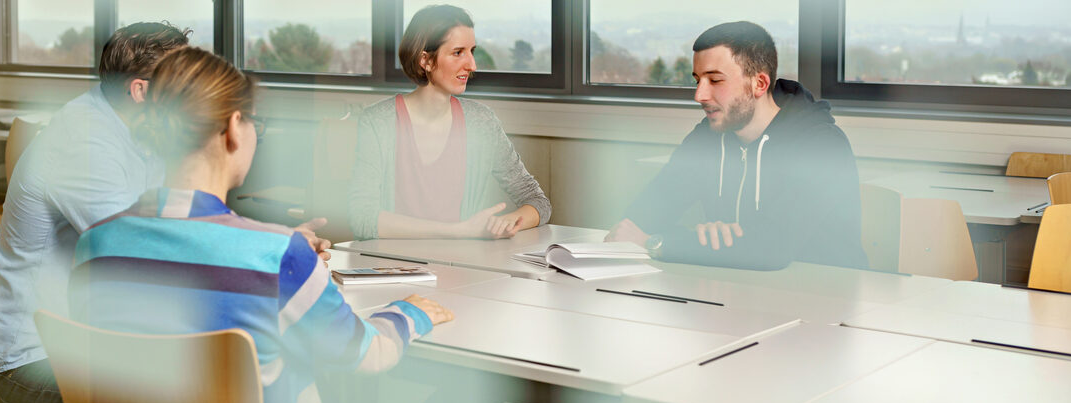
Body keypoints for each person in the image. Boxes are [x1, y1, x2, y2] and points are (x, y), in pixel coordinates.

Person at [70, 47, 454, 403]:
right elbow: (368, 354)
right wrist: (410, 312)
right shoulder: (277, 256)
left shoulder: (95, 244)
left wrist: (281, 249)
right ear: (235, 126)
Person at [0, 22, 332, 403]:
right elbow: (148, 249)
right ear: (141, 90)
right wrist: (272, 250)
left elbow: (185, 224)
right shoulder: (82, 144)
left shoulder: (140, 132)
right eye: (179, 76)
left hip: (100, 353)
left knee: (255, 393)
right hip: (25, 370)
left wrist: (273, 248)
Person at [605, 21, 867, 271]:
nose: (699, 95)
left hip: (824, 301)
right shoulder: (708, 137)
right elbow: (639, 219)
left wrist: (659, 242)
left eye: (715, 80)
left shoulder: (821, 146)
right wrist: (712, 243)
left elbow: (770, 250)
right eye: (698, 80)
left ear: (759, 84)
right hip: (736, 291)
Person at [350, 4, 551, 240]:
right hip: (395, 270)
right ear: (425, 60)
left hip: (464, 268)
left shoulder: (481, 122)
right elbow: (362, 218)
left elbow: (538, 202)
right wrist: (457, 231)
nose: (472, 65)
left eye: (472, 51)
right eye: (458, 52)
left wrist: (507, 222)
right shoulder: (378, 122)